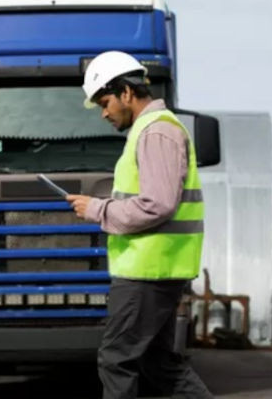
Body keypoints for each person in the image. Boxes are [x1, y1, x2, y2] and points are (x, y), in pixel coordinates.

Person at [66, 51, 213, 399]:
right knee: (158, 363)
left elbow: (158, 204)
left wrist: (98, 209)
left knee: (116, 360)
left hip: (148, 271)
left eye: (105, 103)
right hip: (154, 267)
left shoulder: (157, 132)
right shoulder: (153, 130)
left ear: (127, 92)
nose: (104, 113)